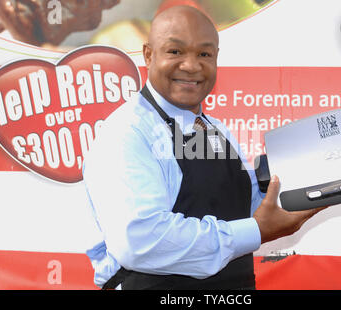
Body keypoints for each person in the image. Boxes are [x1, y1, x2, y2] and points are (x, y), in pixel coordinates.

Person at [83, 5, 325, 290]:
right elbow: (141, 241)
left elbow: (250, 209)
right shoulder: (127, 132)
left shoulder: (215, 130)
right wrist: (254, 230)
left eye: (204, 54)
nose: (191, 65)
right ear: (149, 55)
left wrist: (319, 177)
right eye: (175, 51)